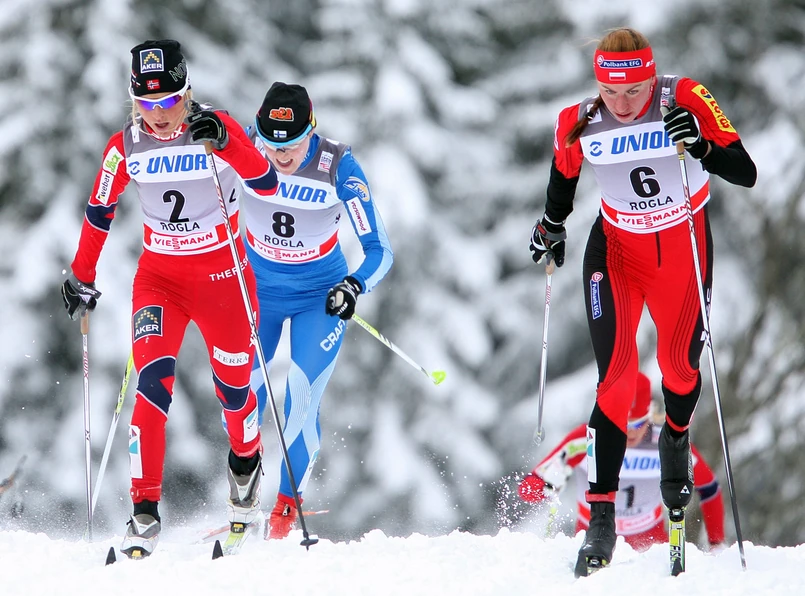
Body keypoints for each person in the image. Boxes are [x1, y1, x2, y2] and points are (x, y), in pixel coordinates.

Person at [528, 27, 756, 574]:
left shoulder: (686, 97)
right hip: (616, 255)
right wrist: (551, 228)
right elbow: (562, 180)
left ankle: (674, 441)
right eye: (610, 92)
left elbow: (745, 172)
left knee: (679, 372)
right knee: (615, 379)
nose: (623, 104)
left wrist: (700, 146)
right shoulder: (579, 119)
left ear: (651, 78)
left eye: (634, 91)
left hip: (682, 252)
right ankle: (601, 519)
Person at [60, 39, 279, 558]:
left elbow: (267, 182)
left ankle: (245, 465)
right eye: (146, 103)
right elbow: (99, 209)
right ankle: (144, 511)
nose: (158, 115)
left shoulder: (216, 127)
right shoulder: (125, 145)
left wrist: (226, 143)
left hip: (224, 277)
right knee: (151, 387)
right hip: (160, 281)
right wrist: (82, 275)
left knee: (233, 392)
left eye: (169, 101)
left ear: (187, 94)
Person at [240, 82, 393, 539]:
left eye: (291, 144)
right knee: (244, 395)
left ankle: (286, 508)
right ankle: (242, 496)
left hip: (318, 296)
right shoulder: (242, 146)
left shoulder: (338, 166)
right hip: (258, 292)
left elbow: (379, 249)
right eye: (271, 144)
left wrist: (353, 285)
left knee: (299, 397)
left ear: (312, 130)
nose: (280, 155)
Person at [518, 373, 725, 552]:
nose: (632, 432)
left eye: (639, 423)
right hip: (594, 538)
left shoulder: (665, 442)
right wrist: (547, 484)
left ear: (651, 415)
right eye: (625, 423)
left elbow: (709, 488)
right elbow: (527, 489)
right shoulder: (586, 439)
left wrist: (716, 543)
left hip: (649, 543)